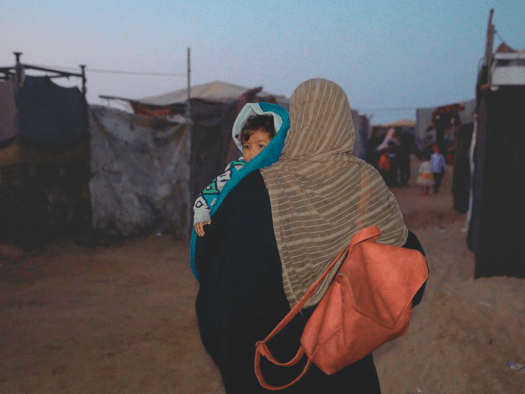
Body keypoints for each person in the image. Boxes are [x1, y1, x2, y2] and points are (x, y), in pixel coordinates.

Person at [194, 79, 426, 393]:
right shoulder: (366, 182)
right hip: (346, 364)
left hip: (279, 370)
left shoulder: (252, 189)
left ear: (296, 121)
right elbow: (411, 278)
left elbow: (219, 296)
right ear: (343, 122)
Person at [192, 104, 280, 237]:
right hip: (241, 231)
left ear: (276, 146)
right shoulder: (238, 169)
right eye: (247, 146)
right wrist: (201, 211)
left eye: (260, 145)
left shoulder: (281, 170)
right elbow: (212, 189)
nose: (252, 152)